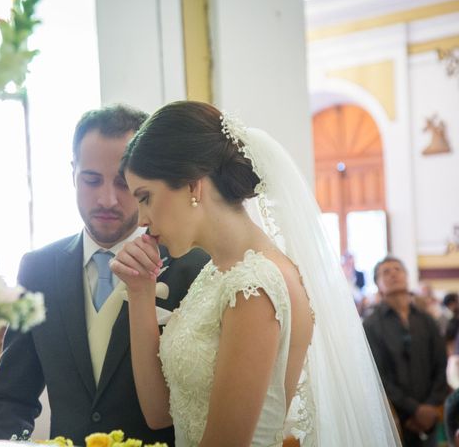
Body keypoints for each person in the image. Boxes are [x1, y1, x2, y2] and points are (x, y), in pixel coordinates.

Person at [110, 100, 400, 446]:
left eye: (146, 197)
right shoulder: (216, 275)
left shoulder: (255, 287)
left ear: (192, 186)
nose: (141, 219)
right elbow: (159, 413)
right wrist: (142, 293)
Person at [0, 105, 209, 444]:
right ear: (72, 173)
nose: (106, 199)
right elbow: (11, 397)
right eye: (91, 180)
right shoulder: (38, 269)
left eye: (122, 183)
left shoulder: (193, 267)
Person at [364, 256, 449, 447]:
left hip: (429, 416)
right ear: (378, 284)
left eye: (397, 269)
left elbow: (440, 363)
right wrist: (413, 410)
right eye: (386, 272)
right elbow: (378, 376)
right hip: (395, 419)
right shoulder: (371, 325)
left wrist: (430, 406)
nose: (393, 273)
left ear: (406, 276)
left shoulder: (426, 321)